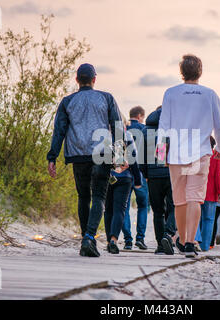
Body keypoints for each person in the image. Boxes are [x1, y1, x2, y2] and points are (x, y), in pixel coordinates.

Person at [47, 63, 125, 258]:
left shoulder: (68, 101)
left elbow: (59, 131)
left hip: (78, 154)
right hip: (102, 153)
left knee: (83, 197)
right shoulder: (106, 98)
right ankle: (89, 237)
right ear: (94, 79)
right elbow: (117, 126)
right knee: (99, 197)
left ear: (77, 80)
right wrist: (121, 155)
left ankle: (85, 238)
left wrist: (52, 157)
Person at [158, 54, 220, 258]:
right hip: (199, 153)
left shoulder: (170, 93)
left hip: (177, 154)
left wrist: (161, 156)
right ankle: (189, 242)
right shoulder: (209, 94)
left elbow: (163, 127)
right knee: (195, 198)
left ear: (181, 72)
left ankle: (180, 239)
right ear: (200, 71)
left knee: (179, 200)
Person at [140, 106, 177, 255]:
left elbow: (141, 158)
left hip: (153, 176)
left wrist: (146, 174)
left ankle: (160, 246)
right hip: (172, 174)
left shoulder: (145, 131)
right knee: (173, 207)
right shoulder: (174, 130)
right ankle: (168, 234)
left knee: (157, 212)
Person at [104, 121, 142, 254]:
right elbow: (133, 158)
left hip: (107, 177)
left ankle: (109, 241)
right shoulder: (128, 135)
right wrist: (137, 179)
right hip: (125, 178)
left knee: (108, 209)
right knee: (119, 210)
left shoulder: (104, 136)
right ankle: (114, 239)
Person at [122, 106, 149, 250]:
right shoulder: (145, 130)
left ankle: (127, 240)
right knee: (143, 206)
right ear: (140, 116)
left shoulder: (123, 129)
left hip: (123, 173)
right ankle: (140, 238)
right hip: (140, 174)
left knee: (124, 207)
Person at [197, 137, 220, 252]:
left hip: (197, 191)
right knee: (208, 219)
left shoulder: (196, 155)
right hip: (211, 193)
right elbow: (218, 175)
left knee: (196, 218)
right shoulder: (215, 156)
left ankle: (194, 241)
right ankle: (205, 246)